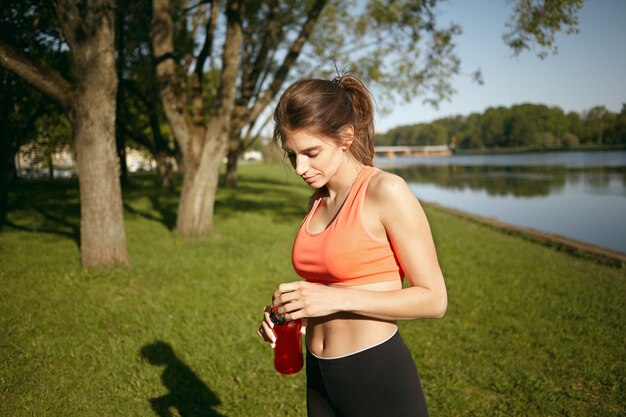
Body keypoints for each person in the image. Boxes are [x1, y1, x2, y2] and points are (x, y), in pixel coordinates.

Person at [257, 72, 447, 417]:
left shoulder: (385, 191)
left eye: (311, 152)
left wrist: (332, 299)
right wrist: (289, 315)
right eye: (292, 155)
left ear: (346, 136)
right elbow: (325, 285)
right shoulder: (317, 200)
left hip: (375, 375)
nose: (301, 167)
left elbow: (434, 300)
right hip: (319, 376)